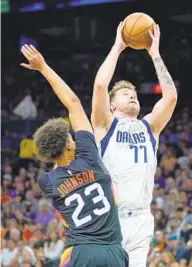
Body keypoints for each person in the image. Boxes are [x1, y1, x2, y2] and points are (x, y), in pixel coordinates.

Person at [20, 44, 128, 267]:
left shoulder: (47, 181)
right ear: (70, 145)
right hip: (113, 252)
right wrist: (44, 67)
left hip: (81, 254)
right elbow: (74, 104)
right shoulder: (88, 156)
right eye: (71, 137)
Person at [91, 22, 178, 267]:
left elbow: (170, 97)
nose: (132, 95)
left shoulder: (149, 127)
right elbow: (99, 86)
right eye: (125, 94)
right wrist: (118, 47)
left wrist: (155, 54)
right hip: (111, 219)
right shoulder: (105, 125)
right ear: (112, 106)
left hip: (141, 218)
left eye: (135, 94)